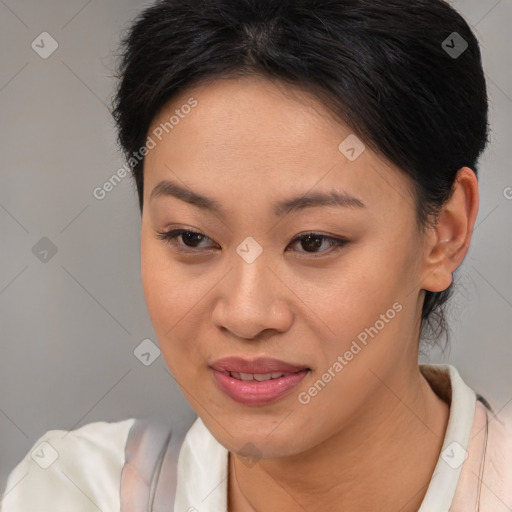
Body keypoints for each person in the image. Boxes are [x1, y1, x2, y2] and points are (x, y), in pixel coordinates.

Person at [2, 0, 512, 511]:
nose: (246, 315)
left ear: (444, 233)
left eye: (313, 241)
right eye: (191, 237)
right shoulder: (71, 493)